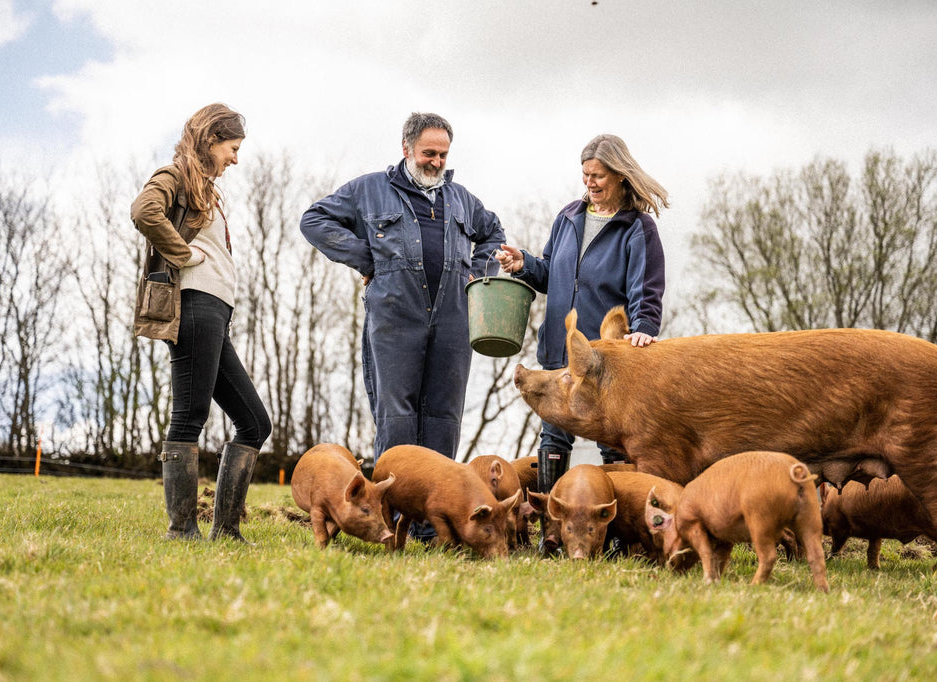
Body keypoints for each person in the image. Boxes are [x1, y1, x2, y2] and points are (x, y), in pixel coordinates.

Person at [300, 112, 505, 538]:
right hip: (394, 317)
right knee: (397, 418)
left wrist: (479, 272)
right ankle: (389, 519)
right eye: (429, 153)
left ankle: (433, 525)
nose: (436, 162)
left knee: (444, 417)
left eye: (443, 155)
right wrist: (366, 257)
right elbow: (314, 220)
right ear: (407, 148)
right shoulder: (369, 189)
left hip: (453, 318)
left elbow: (492, 234)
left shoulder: (463, 199)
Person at [495, 133, 668, 499]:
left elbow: (646, 289)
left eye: (598, 176)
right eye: (585, 175)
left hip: (604, 358)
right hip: (560, 351)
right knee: (553, 435)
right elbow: (550, 276)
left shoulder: (637, 228)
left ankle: (618, 533)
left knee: (612, 441)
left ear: (621, 175)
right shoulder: (568, 217)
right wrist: (524, 264)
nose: (590, 183)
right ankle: (551, 528)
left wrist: (644, 329)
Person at [131, 103, 271, 543]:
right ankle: (182, 531)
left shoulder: (204, 188)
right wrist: (186, 255)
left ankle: (226, 530)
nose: (235, 158)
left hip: (215, 311)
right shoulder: (174, 176)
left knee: (254, 423)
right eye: (232, 148)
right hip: (193, 305)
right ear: (211, 140)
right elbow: (143, 211)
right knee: (189, 416)